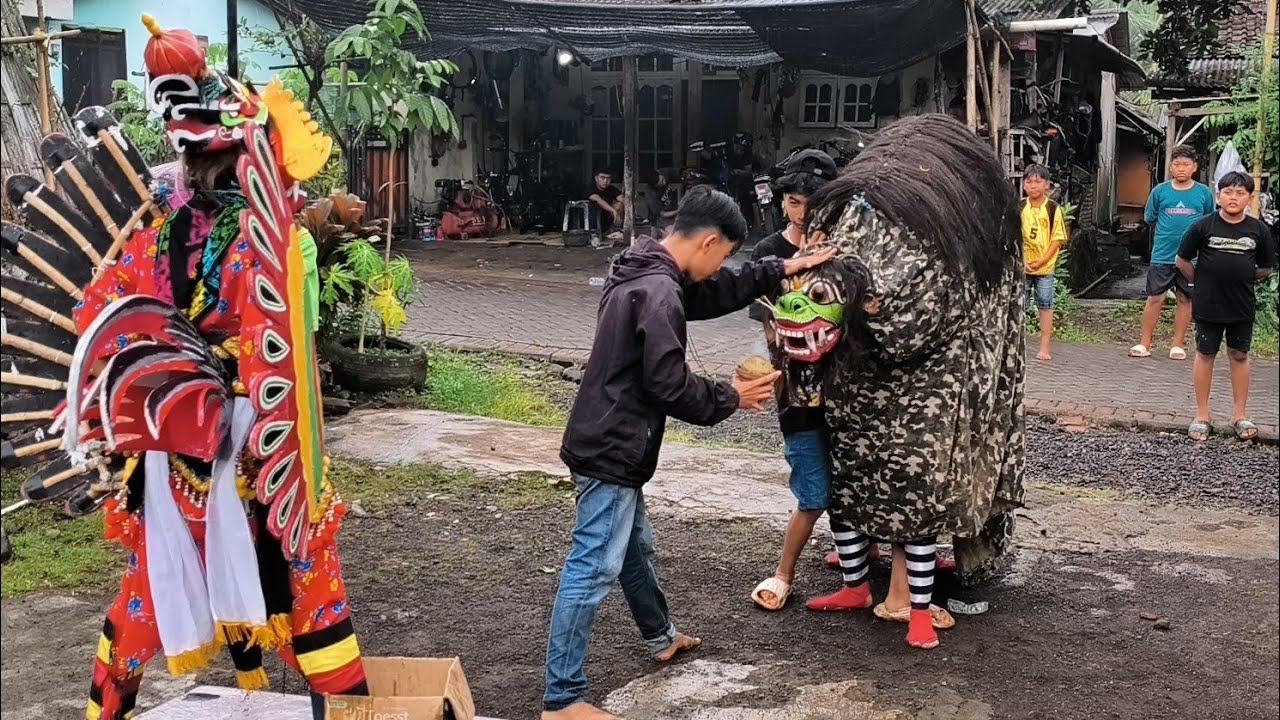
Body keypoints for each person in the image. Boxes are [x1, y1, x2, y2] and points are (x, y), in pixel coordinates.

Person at [0, 16, 368, 720]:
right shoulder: (265, 245)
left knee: (143, 600)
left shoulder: (151, 243)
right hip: (254, 458)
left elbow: (105, 314)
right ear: (245, 163)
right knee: (310, 595)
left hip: (171, 462)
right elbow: (283, 347)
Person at [544, 186, 836, 720]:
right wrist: (732, 396)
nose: (720, 267)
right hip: (613, 446)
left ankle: (661, 636)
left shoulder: (647, 268)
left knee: (633, 551)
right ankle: (561, 700)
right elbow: (667, 384)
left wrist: (783, 268)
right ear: (706, 242)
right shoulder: (658, 292)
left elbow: (715, 290)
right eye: (722, 255)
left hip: (609, 439)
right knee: (592, 567)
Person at [803, 114, 1025, 650]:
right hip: (868, 396)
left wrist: (869, 308)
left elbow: (912, 328)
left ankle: (906, 599)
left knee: (912, 499)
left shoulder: (935, 249)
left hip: (925, 399)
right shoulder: (861, 220)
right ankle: (868, 585)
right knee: (856, 488)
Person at [748, 149, 874, 612]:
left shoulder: (848, 253)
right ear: (783, 202)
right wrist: (803, 265)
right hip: (798, 395)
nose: (803, 213)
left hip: (850, 391)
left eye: (814, 203)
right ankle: (783, 572)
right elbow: (773, 329)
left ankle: (863, 553)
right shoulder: (769, 256)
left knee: (858, 477)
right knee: (814, 491)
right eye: (796, 202)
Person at [1176, 172, 1276, 442]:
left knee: (1239, 355)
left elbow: (1266, 267)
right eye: (1228, 192)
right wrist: (1202, 281)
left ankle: (1240, 415)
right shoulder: (1202, 226)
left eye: (1240, 193)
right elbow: (1182, 260)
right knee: (1205, 353)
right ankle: (1202, 415)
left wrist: (1241, 277)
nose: (1234, 198)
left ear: (1249, 198)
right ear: (1218, 196)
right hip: (1208, 304)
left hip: (1241, 305)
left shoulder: (1259, 230)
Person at [1131, 145, 1217, 360]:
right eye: (1176, 164)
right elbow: (1149, 218)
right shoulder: (1160, 191)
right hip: (1162, 254)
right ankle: (1144, 343)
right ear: (1170, 167)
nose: (1181, 168)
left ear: (1194, 167)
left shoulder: (1203, 193)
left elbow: (1209, 220)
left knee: (1185, 299)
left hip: (1192, 258)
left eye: (1186, 164)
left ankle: (1177, 345)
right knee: (1155, 298)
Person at [1021, 164, 1068, 362]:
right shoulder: (1019, 207)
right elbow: (1014, 236)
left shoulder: (1053, 208)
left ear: (1046, 184)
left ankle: (1045, 346)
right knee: (1018, 305)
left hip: (1045, 267)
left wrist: (1043, 260)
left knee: (1045, 305)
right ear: (1024, 185)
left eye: (1038, 181)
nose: (1033, 186)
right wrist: (1022, 260)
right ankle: (1017, 345)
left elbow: (1057, 239)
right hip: (1023, 266)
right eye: (1029, 182)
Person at [587, 170, 624, 241]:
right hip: (592, 220)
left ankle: (615, 229)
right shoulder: (590, 188)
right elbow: (598, 200)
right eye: (602, 178)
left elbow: (622, 199)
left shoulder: (612, 189)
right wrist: (613, 210)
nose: (605, 181)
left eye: (608, 178)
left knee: (619, 205)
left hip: (606, 219)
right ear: (596, 178)